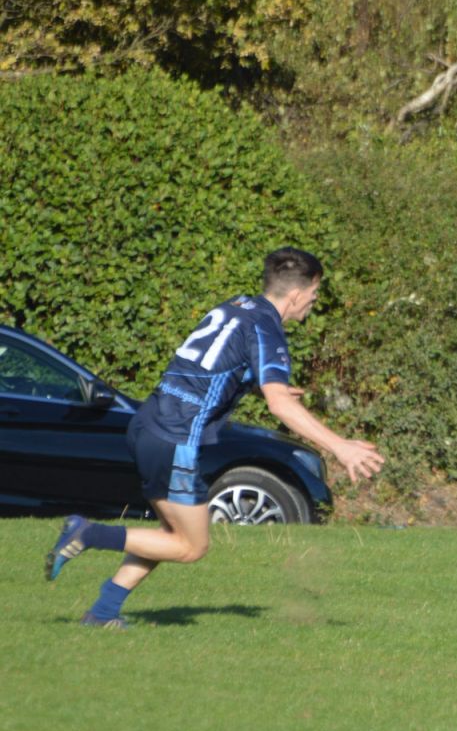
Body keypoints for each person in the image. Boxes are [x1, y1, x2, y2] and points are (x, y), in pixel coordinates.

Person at [44, 247, 385, 628]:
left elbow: (216, 367)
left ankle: (103, 612)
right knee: (192, 546)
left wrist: (256, 388)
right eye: (314, 294)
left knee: (171, 533)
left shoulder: (237, 306)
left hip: (150, 422)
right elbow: (280, 407)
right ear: (296, 294)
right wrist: (340, 447)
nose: (312, 303)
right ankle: (88, 533)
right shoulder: (267, 329)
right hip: (176, 437)